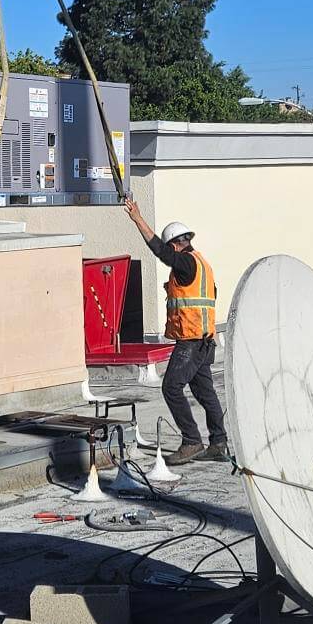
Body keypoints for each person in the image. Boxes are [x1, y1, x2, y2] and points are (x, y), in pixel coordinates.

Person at [123, 198, 228, 463]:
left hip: (192, 342)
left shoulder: (185, 262)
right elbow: (208, 296)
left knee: (171, 387)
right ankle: (218, 442)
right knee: (205, 393)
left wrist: (138, 219)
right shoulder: (202, 263)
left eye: (172, 248)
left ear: (175, 244)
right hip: (206, 341)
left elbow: (161, 251)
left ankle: (192, 441)